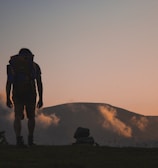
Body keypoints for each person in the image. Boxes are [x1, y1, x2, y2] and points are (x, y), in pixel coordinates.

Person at [6, 48, 43, 147]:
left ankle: (18, 140)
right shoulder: (34, 66)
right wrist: (41, 98)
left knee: (17, 116)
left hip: (17, 93)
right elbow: (39, 83)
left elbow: (9, 83)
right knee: (31, 117)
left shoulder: (13, 66)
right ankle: (30, 140)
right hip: (30, 93)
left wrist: (7, 97)